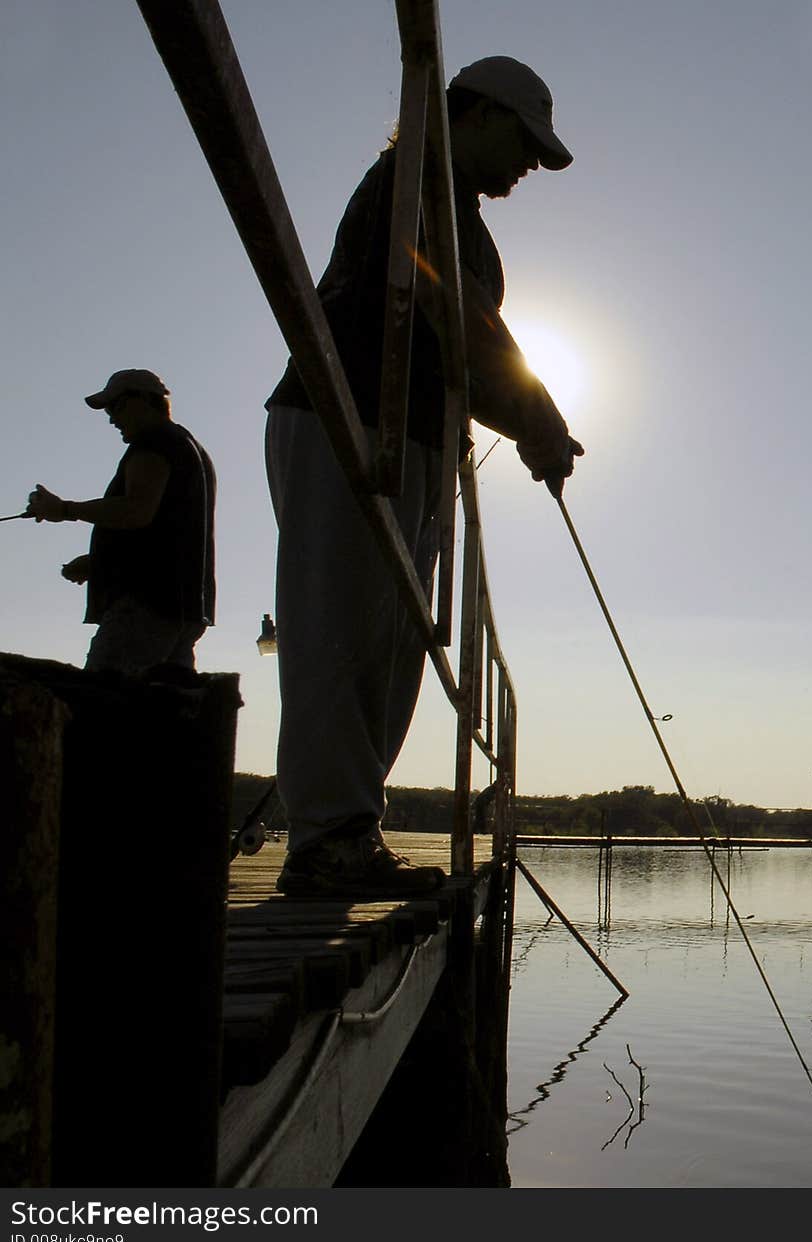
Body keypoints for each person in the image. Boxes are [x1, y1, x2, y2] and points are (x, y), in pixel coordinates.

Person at [265, 56, 583, 896]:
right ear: (472, 112)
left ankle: (346, 832)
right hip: (350, 418)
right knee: (337, 627)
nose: (529, 166)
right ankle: (329, 840)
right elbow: (460, 318)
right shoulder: (416, 182)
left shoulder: (460, 215)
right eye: (524, 142)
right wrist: (540, 418)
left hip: (407, 435)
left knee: (391, 639)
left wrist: (529, 424)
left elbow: (465, 350)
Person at [28, 368, 216, 678]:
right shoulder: (187, 447)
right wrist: (100, 562)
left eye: (116, 407)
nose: (112, 418)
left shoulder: (154, 443)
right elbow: (164, 532)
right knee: (159, 715)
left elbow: (136, 510)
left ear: (142, 400)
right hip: (183, 609)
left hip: (146, 608)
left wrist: (63, 509)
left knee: (103, 708)